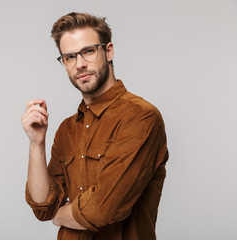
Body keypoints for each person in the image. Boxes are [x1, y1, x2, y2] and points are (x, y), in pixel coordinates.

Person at [21, 12, 169, 240]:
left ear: (108, 51)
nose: (80, 64)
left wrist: (59, 217)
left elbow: (102, 210)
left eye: (88, 51)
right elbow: (43, 207)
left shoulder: (141, 117)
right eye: (69, 57)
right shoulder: (67, 129)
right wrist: (36, 143)